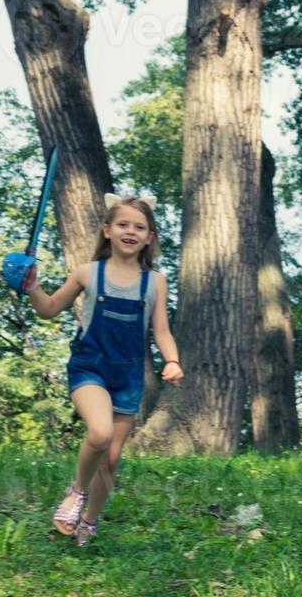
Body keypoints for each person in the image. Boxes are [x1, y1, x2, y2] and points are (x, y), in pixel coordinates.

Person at [20, 194, 182, 546]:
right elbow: (48, 309)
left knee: (110, 460)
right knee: (99, 433)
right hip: (89, 366)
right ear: (107, 230)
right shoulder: (87, 273)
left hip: (127, 374)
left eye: (140, 227)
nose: (130, 231)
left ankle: (88, 522)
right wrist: (32, 286)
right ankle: (76, 493)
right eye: (123, 224)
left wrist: (172, 360)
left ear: (150, 237)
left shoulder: (154, 281)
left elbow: (161, 330)